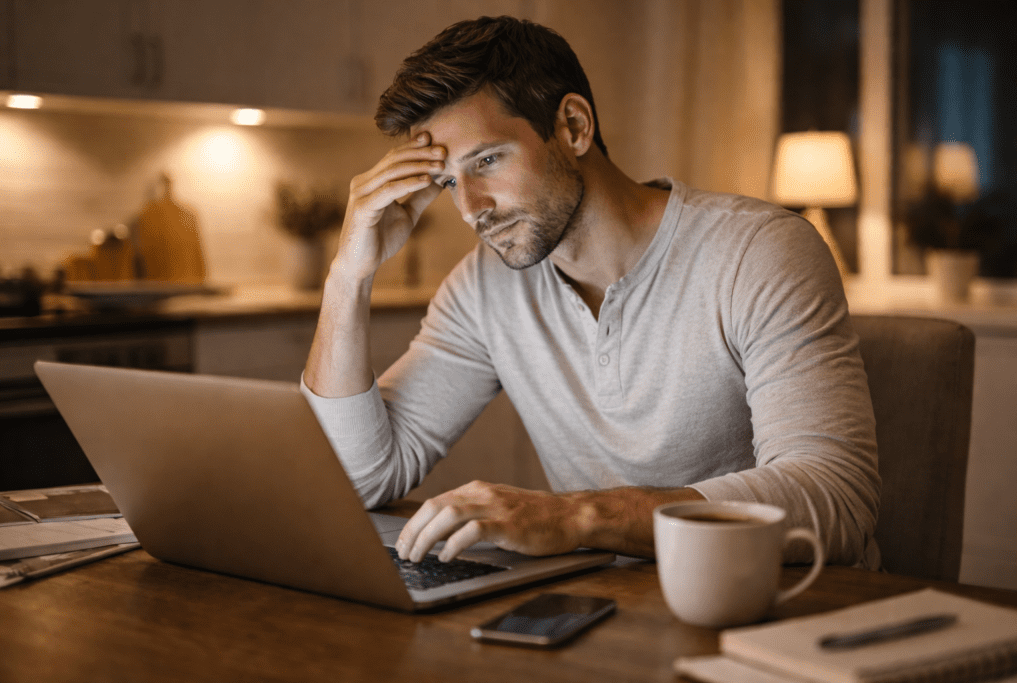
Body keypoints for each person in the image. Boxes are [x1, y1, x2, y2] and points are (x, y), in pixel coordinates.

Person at [302, 16, 880, 569]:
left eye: (488, 160)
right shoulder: (485, 287)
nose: (471, 208)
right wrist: (348, 276)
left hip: (777, 610)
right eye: (450, 180)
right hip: (608, 612)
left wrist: (579, 516)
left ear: (573, 127)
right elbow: (360, 479)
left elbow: (834, 497)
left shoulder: (758, 253)